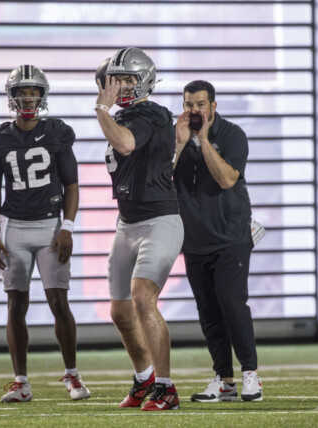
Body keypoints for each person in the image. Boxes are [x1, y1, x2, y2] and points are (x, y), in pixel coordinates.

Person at [0, 65, 90, 403]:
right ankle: (21, 381)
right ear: (11, 97)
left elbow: (72, 184)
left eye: (33, 92)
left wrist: (68, 227)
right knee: (16, 303)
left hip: (49, 225)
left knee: (59, 300)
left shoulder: (58, 132)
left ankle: (72, 375)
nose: (28, 98)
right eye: (22, 92)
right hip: (13, 226)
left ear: (42, 96)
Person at [94, 47, 184, 411]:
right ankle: (144, 377)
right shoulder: (131, 116)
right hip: (127, 222)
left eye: (129, 79)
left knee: (143, 297)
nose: (123, 86)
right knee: (119, 310)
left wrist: (101, 109)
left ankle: (166, 387)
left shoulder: (149, 113)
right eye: (117, 80)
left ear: (146, 79)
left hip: (159, 220)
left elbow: (126, 143)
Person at [172, 80, 262, 402]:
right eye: (188, 105)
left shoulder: (233, 134)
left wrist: (203, 139)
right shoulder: (177, 135)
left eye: (199, 104)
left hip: (230, 236)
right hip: (195, 238)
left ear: (213, 105)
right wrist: (182, 144)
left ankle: (251, 373)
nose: (193, 111)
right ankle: (224, 379)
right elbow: (159, 181)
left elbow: (226, 179)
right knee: (208, 311)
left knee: (232, 304)